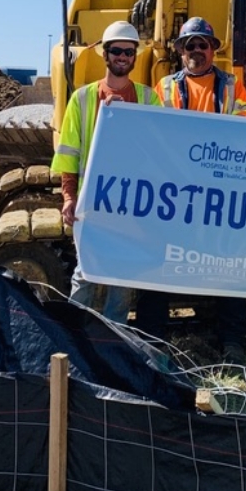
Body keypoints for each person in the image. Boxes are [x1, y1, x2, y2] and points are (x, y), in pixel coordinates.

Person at [134, 17, 246, 364]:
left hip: (219, 193)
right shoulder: (164, 88)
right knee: (158, 264)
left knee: (229, 268)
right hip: (177, 193)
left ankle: (232, 343)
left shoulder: (233, 87)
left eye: (203, 45)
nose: (197, 51)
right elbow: (152, 131)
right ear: (180, 52)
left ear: (213, 50)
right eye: (190, 45)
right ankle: (151, 340)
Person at [51, 20, 161, 321]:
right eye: (116, 51)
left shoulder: (149, 98)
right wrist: (69, 198)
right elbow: (69, 155)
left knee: (122, 278)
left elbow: (155, 151)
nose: (122, 57)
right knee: (86, 273)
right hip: (92, 201)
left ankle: (115, 343)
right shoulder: (83, 98)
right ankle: (75, 341)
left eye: (128, 51)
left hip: (131, 203)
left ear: (135, 55)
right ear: (105, 54)